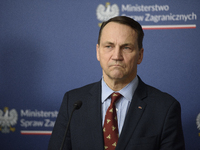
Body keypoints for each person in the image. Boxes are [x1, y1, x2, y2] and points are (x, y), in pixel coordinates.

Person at [48, 16, 185, 150]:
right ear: (98, 52)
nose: (117, 56)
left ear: (140, 55)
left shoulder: (165, 108)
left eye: (126, 48)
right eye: (109, 46)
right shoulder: (72, 102)